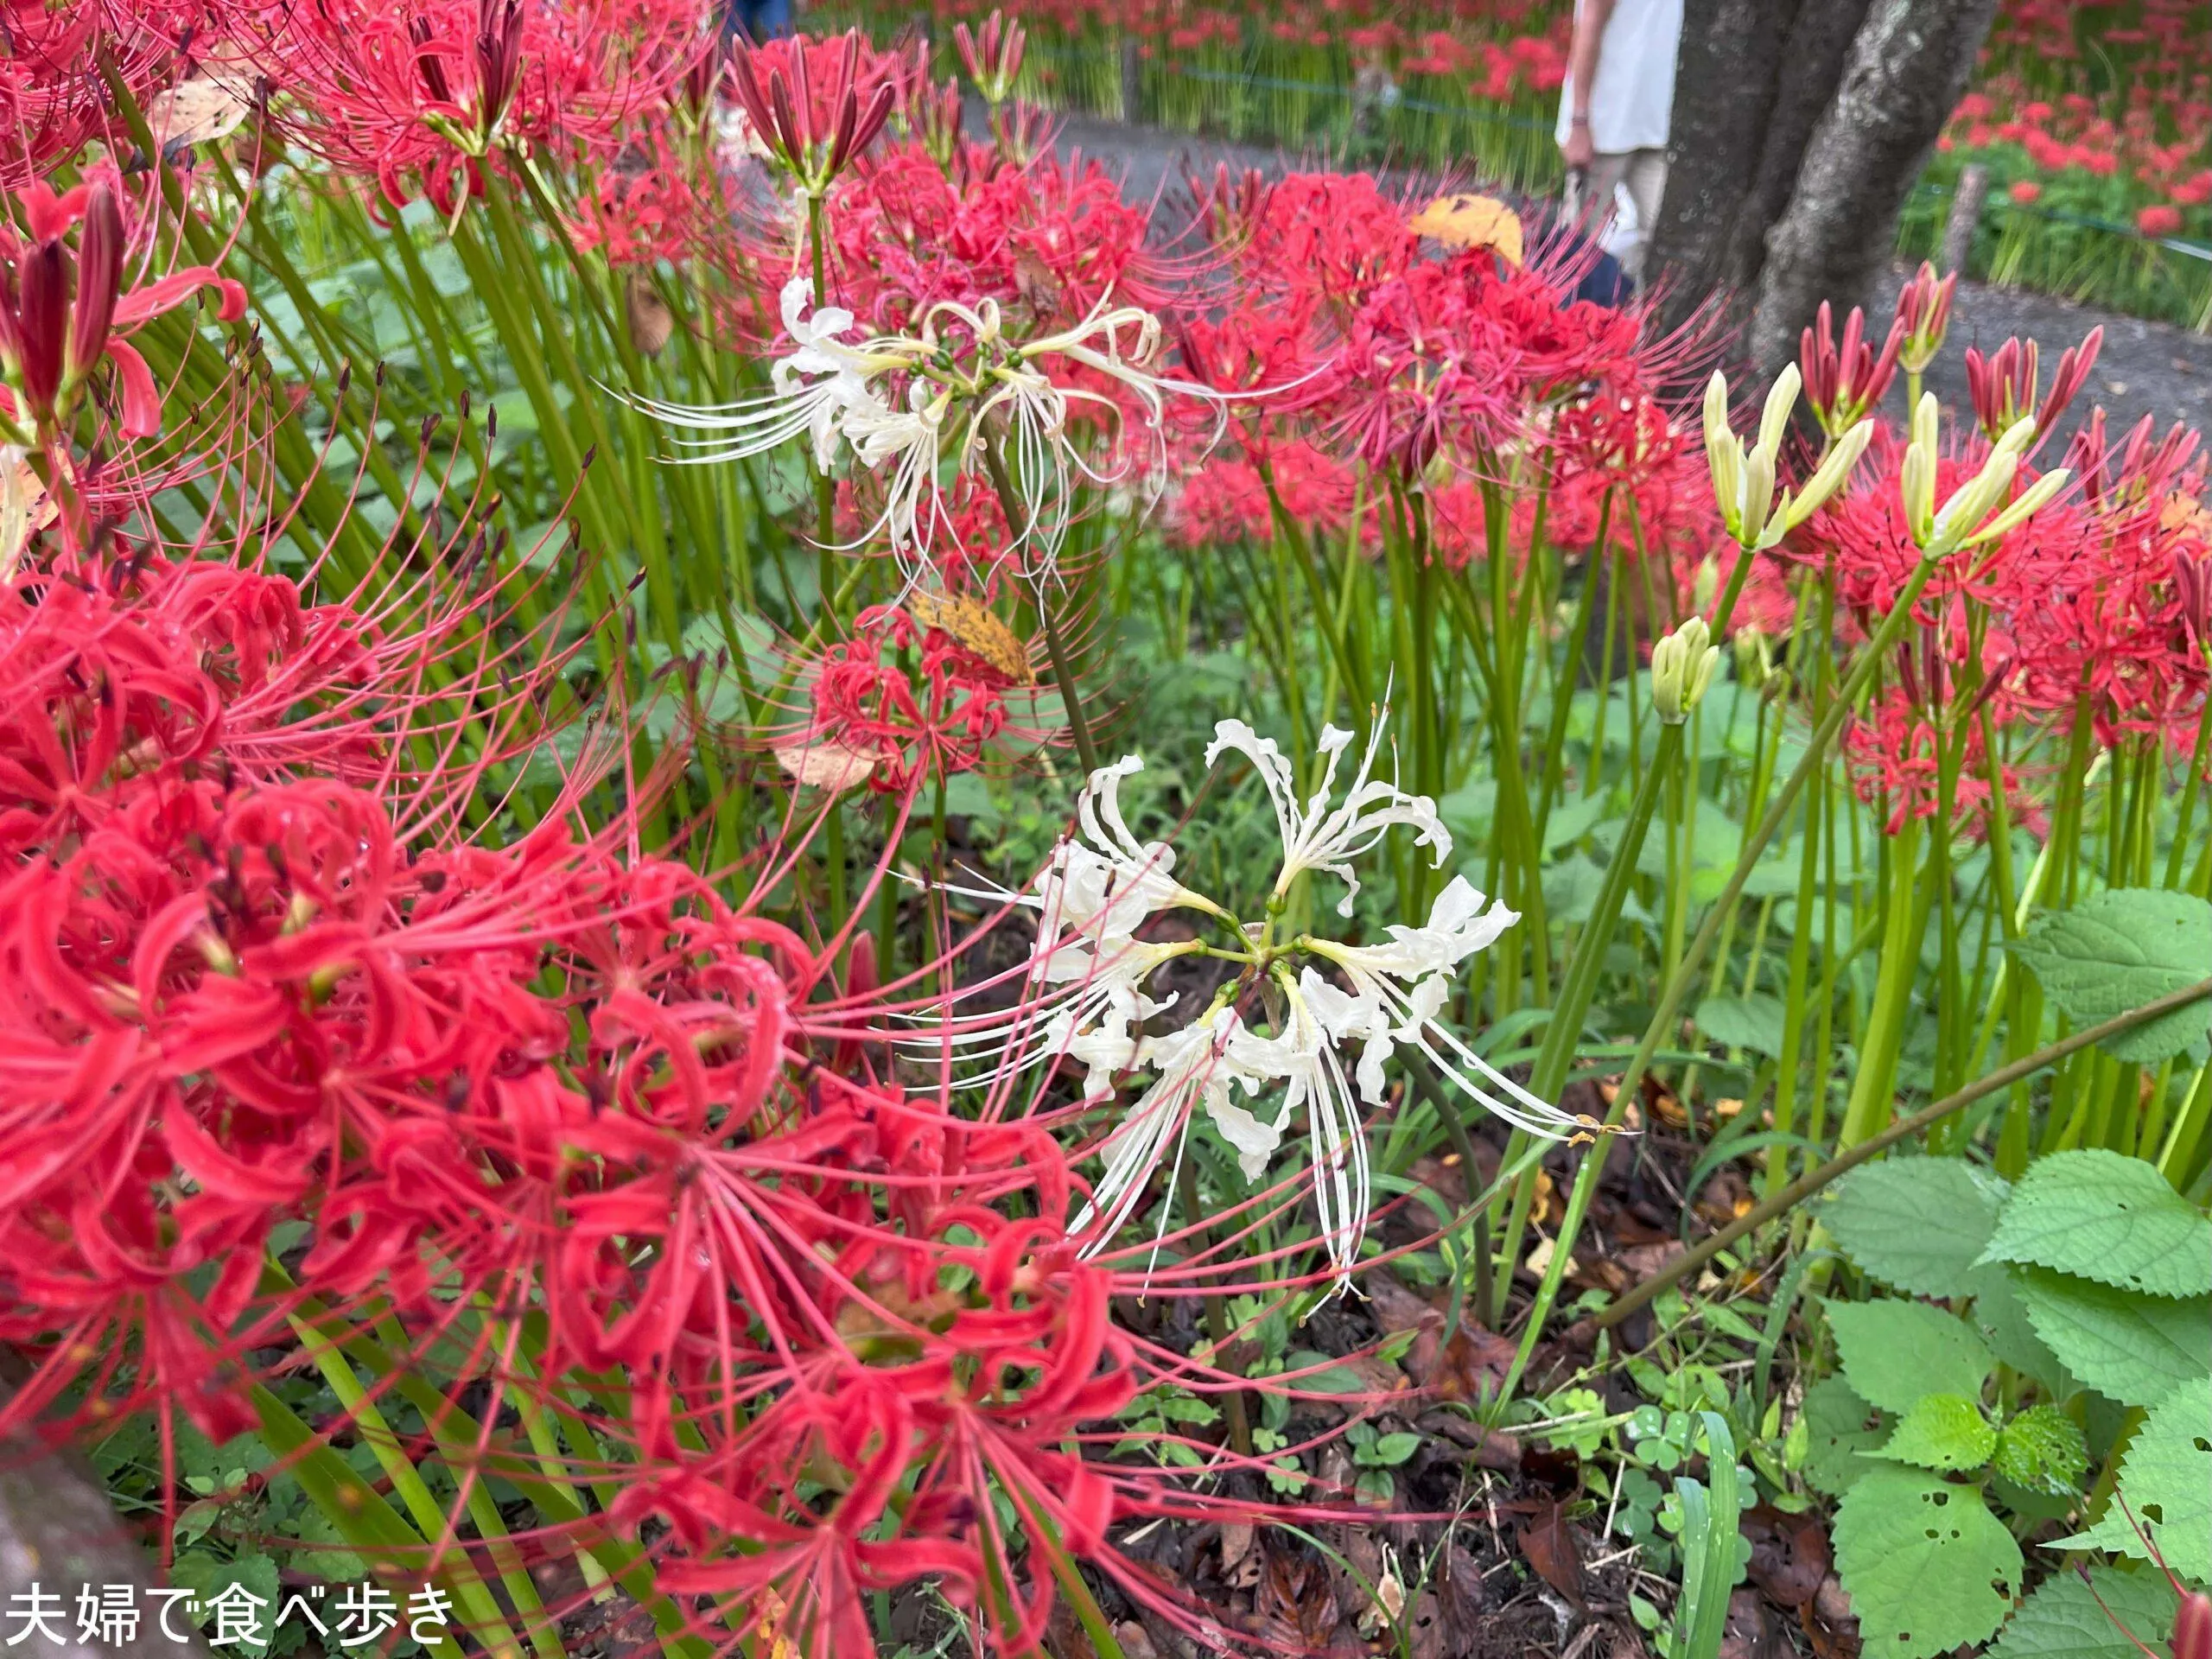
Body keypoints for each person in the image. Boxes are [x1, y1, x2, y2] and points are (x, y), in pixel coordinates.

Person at [1554, 0, 1682, 286]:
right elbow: (1589, 28)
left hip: (1656, 133)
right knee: (1578, 253)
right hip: (1602, 133)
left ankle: (1636, 325)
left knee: (1665, 246)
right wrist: (1578, 122)